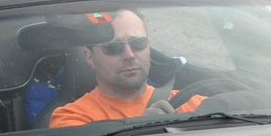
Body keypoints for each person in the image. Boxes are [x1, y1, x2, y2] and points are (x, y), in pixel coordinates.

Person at [48, 10, 203, 128]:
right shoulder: (71, 118)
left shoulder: (191, 102)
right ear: (89, 57)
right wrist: (144, 128)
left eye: (138, 43)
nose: (129, 55)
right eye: (113, 47)